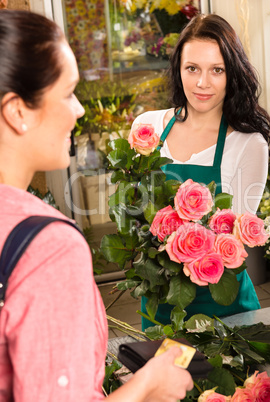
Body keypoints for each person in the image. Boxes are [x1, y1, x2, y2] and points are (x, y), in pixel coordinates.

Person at [0, 9, 193, 401]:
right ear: (17, 111)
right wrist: (148, 386)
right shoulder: (47, 247)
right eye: (68, 92)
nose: (80, 110)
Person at [133, 13, 270, 329]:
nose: (202, 83)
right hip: (159, 302)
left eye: (217, 70)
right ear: (178, 69)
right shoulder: (147, 128)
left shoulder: (247, 143)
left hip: (224, 306)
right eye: (192, 68)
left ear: (232, 73)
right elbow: (137, 211)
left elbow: (235, 239)